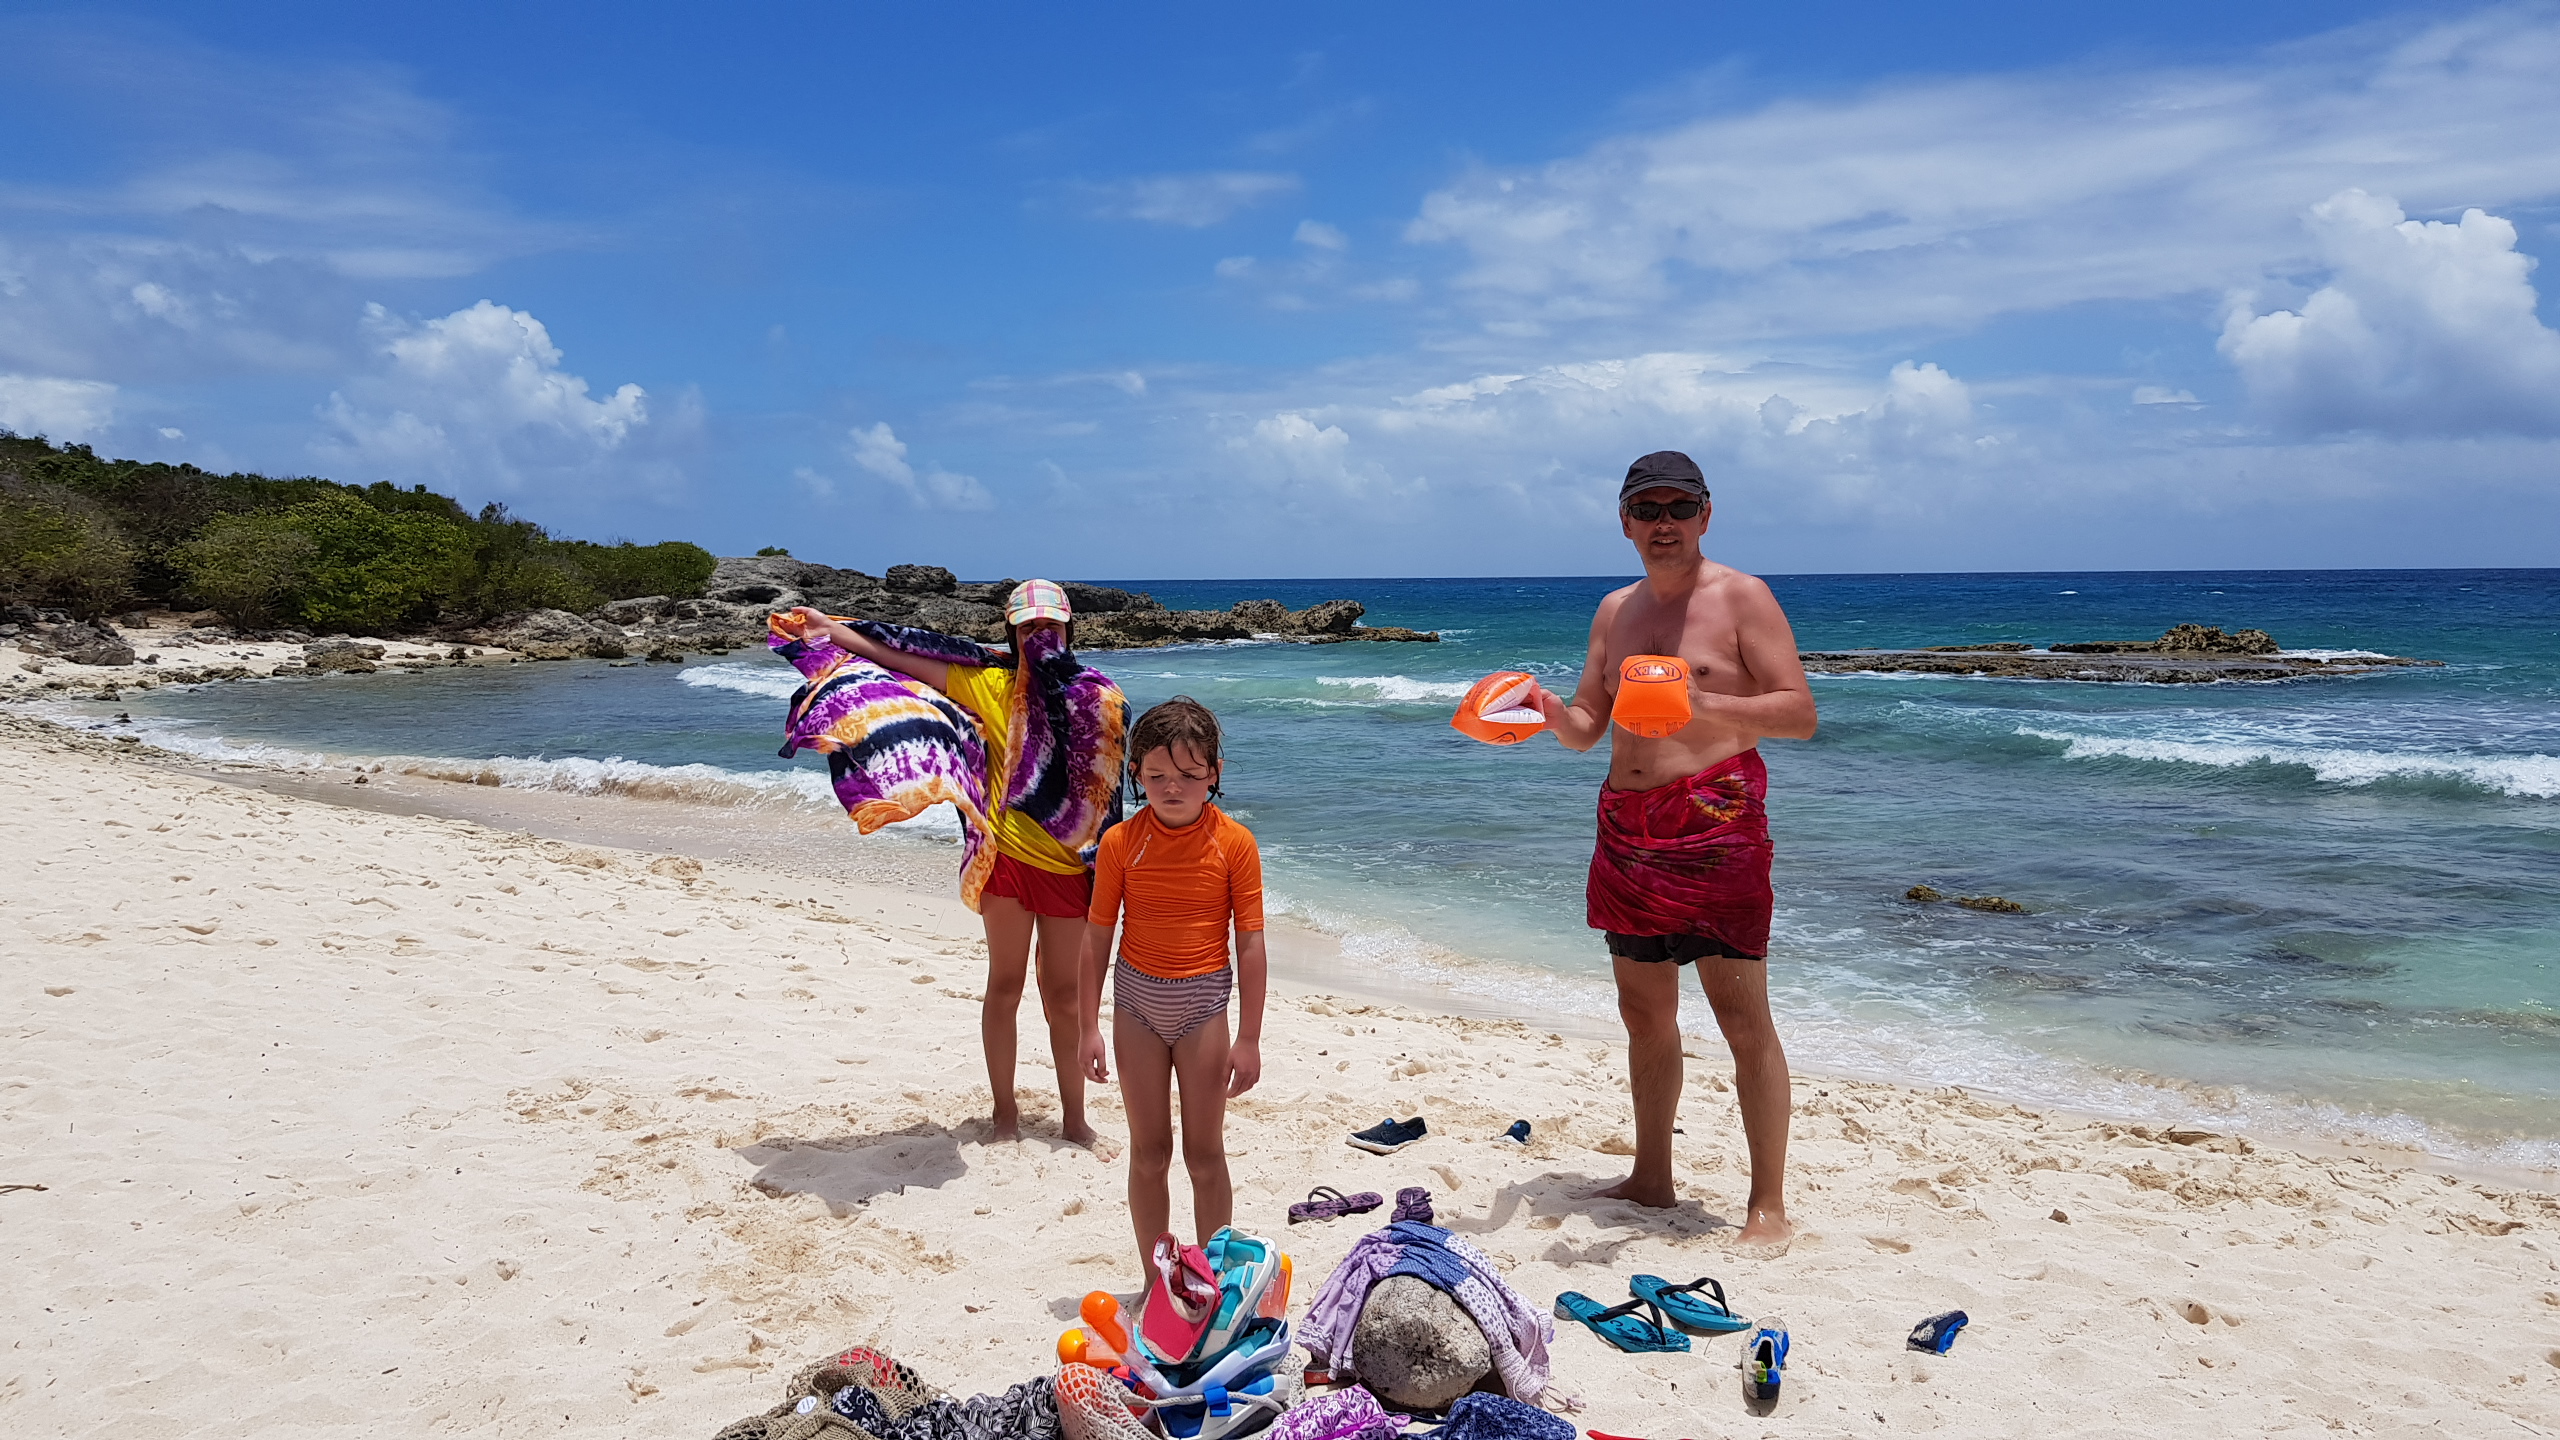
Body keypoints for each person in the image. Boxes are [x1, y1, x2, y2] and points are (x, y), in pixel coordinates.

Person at [1527, 450, 1817, 1248]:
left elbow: (1798, 713)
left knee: (1741, 1016)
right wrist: (1543, 709)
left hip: (1717, 823)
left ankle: (1767, 1206)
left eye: (1679, 509)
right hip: (1627, 830)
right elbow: (1588, 728)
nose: (1665, 524)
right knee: (1644, 1014)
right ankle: (1651, 1176)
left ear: (1705, 516)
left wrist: (1701, 700)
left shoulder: (1742, 597)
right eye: (1648, 510)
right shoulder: (1613, 611)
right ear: (1624, 522)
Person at [788, 581, 1118, 1145]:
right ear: (1012, 633)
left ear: (1069, 629)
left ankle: (1074, 1119)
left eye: (1050, 625)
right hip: (1005, 859)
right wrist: (833, 631)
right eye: (1029, 627)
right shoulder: (989, 684)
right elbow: (900, 657)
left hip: (1069, 869)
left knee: (1065, 998)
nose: (1041, 634)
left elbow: (1106, 794)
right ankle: (1005, 1116)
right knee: (1005, 986)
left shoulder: (1099, 697)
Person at [1074, 697, 1267, 1277]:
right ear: (1135, 773)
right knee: (1149, 1153)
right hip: (1136, 1005)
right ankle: (1156, 1281)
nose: (1172, 787)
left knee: (1204, 1156)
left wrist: (1249, 1038)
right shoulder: (1120, 843)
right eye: (1156, 776)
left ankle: (1217, 1280)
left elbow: (1250, 945)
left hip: (1203, 1006)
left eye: (1188, 774)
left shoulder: (1235, 843)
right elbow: (1097, 936)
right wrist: (1087, 1027)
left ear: (1215, 773)